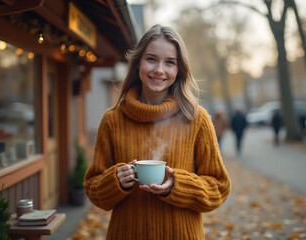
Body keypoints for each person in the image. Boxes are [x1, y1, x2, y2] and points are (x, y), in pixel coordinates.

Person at [83, 24, 231, 240]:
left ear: (179, 70)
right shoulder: (112, 120)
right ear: (137, 63)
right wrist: (114, 181)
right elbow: (93, 189)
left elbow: (219, 187)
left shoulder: (196, 119)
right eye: (151, 59)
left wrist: (177, 186)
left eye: (170, 62)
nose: (159, 70)